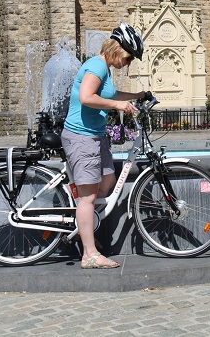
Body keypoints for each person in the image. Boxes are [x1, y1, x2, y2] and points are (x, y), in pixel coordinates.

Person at [61, 22, 152, 269]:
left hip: (96, 136)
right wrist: (118, 106)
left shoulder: (105, 69)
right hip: (81, 137)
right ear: (116, 48)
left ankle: (85, 223)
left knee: (109, 181)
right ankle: (89, 254)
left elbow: (109, 95)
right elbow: (86, 97)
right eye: (129, 57)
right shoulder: (96, 65)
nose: (129, 62)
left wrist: (136, 97)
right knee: (88, 197)